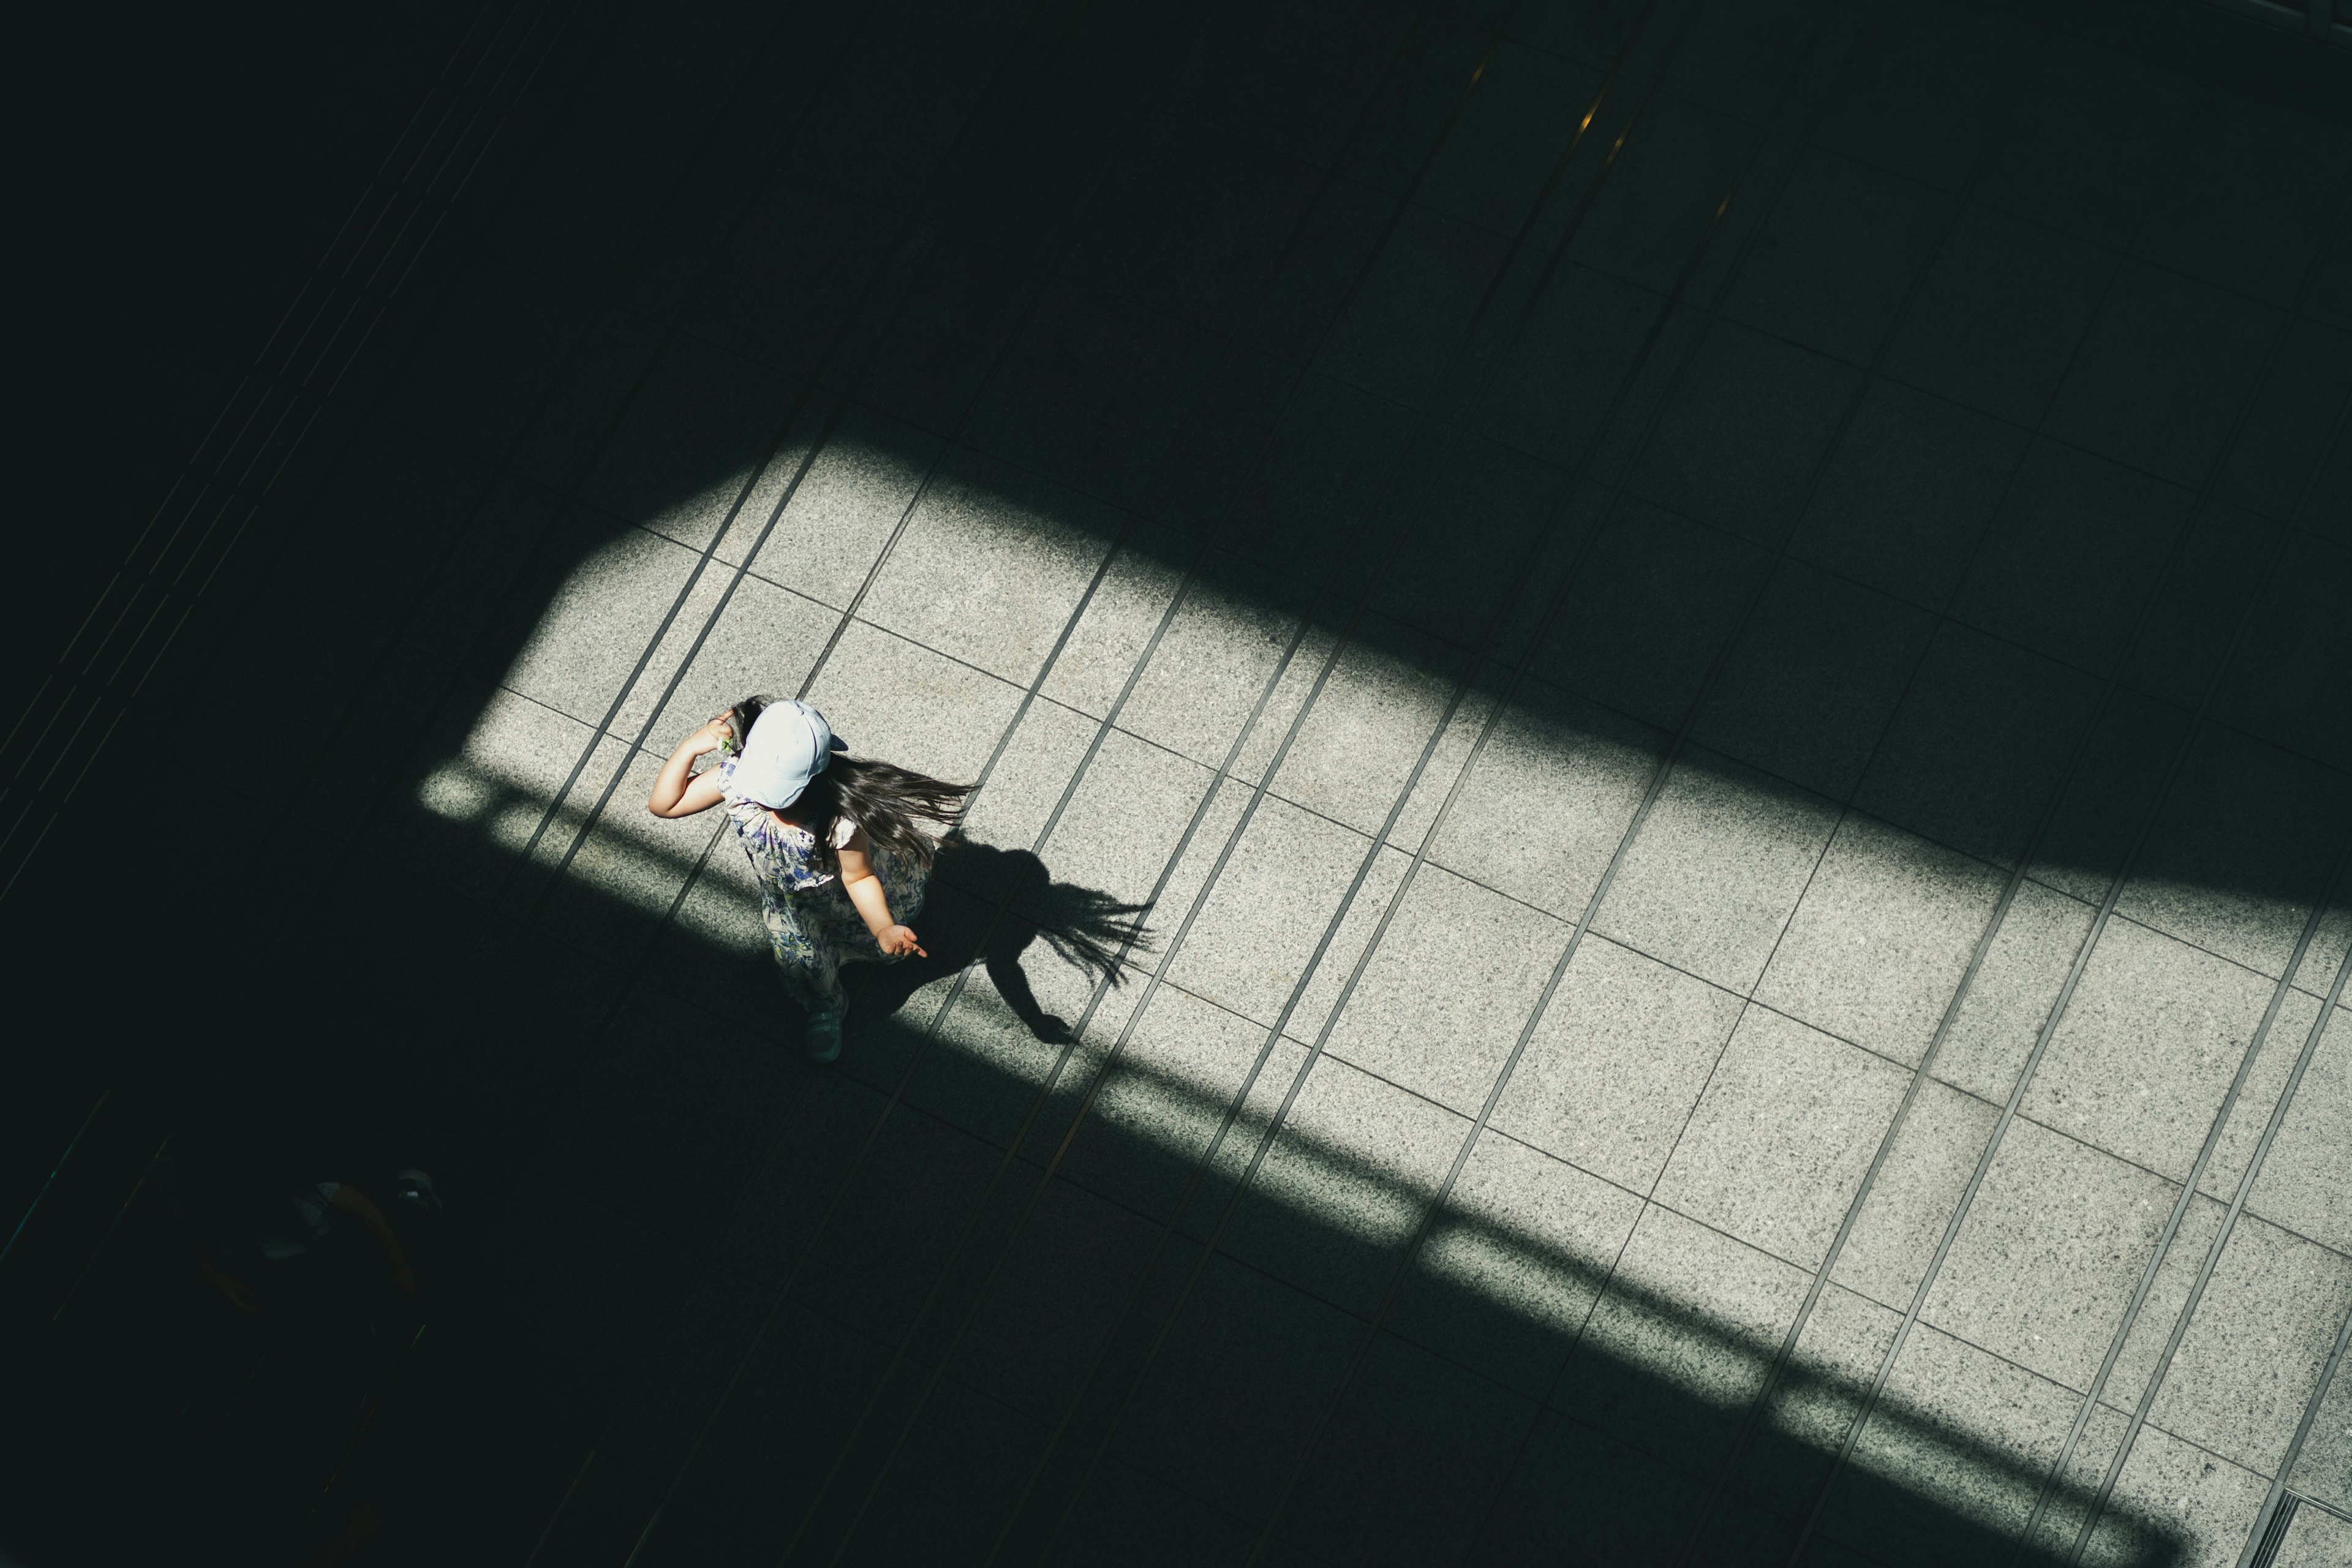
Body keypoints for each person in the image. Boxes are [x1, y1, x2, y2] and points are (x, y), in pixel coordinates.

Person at [647, 695, 969, 1061]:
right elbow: (665, 805)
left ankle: (847, 975)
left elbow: (860, 877)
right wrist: (690, 747)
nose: (763, 799)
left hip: (845, 901)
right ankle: (828, 1007)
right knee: (809, 962)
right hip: (794, 907)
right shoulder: (737, 779)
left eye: (777, 792)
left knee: (859, 939)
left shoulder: (839, 822)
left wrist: (883, 927)